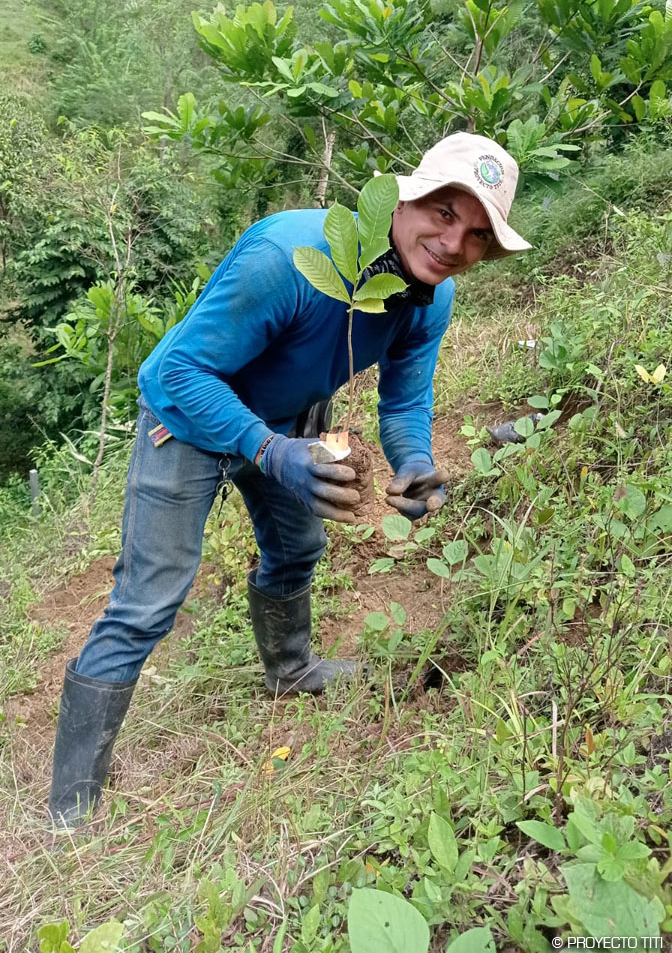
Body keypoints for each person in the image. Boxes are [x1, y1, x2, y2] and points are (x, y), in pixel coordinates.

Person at [47, 132, 530, 826]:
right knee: (148, 601)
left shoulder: (429, 297)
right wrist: (270, 452)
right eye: (444, 213)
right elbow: (180, 373)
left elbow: (403, 403)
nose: (454, 243)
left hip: (287, 423)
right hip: (187, 415)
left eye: (479, 234)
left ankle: (290, 670)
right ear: (403, 198)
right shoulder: (288, 260)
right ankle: (70, 805)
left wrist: (415, 462)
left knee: (298, 549)